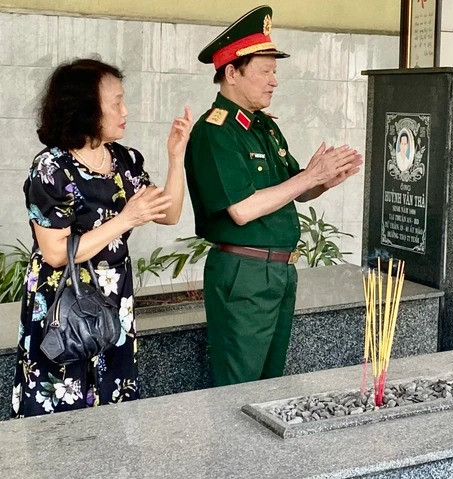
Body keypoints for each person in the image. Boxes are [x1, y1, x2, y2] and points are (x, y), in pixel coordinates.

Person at [185, 5, 362, 387]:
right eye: (265, 71)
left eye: (274, 72)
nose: (273, 82)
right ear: (232, 72)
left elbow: (293, 189)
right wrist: (309, 178)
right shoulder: (215, 132)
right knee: (239, 389)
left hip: (278, 272)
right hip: (244, 275)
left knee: (271, 386)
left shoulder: (262, 126)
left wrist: (326, 178)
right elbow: (243, 210)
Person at [11, 59, 192, 417]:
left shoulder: (124, 160)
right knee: (59, 408)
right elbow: (56, 253)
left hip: (113, 306)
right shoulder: (51, 168)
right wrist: (125, 220)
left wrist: (176, 157)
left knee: (114, 409)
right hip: (62, 307)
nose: (125, 111)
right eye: (116, 102)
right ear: (86, 108)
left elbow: (168, 213)